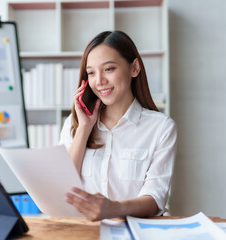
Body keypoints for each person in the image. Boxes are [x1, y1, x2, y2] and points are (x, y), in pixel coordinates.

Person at [59, 31, 177, 221]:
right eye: (91, 73)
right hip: (83, 232)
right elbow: (63, 188)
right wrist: (84, 128)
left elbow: (155, 199)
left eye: (109, 69)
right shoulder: (74, 125)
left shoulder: (161, 127)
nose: (99, 81)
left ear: (134, 68)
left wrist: (113, 209)